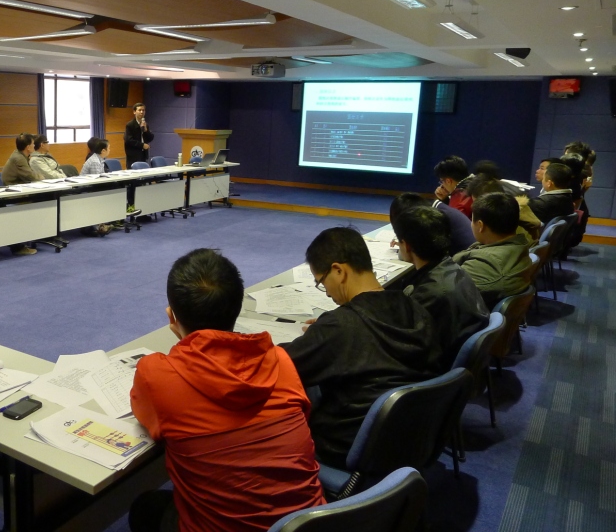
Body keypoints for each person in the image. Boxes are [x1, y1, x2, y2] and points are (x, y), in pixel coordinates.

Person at [129, 249, 325, 532]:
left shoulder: (156, 374)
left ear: (171, 316)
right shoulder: (280, 360)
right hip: (307, 526)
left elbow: (146, 415)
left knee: (146, 507)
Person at [281, 227, 438, 469]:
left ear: (339, 271)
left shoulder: (339, 327)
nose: (327, 292)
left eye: (321, 282)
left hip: (346, 445)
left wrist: (322, 333)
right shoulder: (417, 310)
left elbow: (281, 364)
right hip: (410, 440)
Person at [389, 207, 488, 372]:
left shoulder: (430, 293)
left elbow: (401, 343)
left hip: (436, 372)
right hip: (457, 361)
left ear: (406, 246)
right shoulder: (453, 268)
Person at [454, 193, 533, 308]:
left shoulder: (484, 265)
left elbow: (444, 293)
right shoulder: (520, 246)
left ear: (480, 225)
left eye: (472, 219)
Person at [390, 192, 474, 255]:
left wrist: (405, 246)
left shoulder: (434, 220)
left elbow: (419, 255)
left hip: (464, 264)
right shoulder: (438, 211)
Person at [467, 175, 540, 241]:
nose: (474, 207)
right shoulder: (513, 211)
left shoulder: (503, 224)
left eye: (477, 203)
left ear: (489, 201)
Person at [124, 103, 154, 168]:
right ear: (134, 112)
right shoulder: (130, 125)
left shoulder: (145, 124)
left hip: (143, 155)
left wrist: (146, 131)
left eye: (143, 110)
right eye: (139, 110)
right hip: (133, 155)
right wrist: (142, 145)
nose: (142, 112)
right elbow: (128, 140)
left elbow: (150, 138)